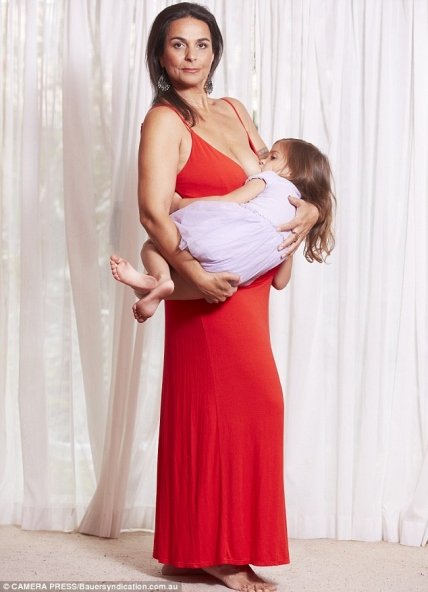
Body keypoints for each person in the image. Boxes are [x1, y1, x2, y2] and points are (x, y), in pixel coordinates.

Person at [121, 3, 320, 591]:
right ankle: (222, 553)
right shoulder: (163, 122)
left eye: (202, 44)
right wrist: (194, 276)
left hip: (250, 285)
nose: (191, 56)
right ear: (160, 55)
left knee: (240, 411)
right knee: (227, 411)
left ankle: (193, 548)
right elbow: (153, 212)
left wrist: (309, 211)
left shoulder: (235, 109)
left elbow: (275, 181)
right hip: (206, 288)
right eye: (177, 44)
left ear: (215, 52)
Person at [110, 138, 335, 323]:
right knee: (180, 290)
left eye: (273, 157)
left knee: (153, 244)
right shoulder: (297, 223)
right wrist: (291, 245)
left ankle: (159, 279)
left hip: (219, 241)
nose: (263, 159)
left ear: (292, 171)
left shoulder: (270, 180)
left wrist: (179, 204)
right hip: (234, 274)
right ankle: (151, 287)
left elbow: (228, 201)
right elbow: (280, 282)